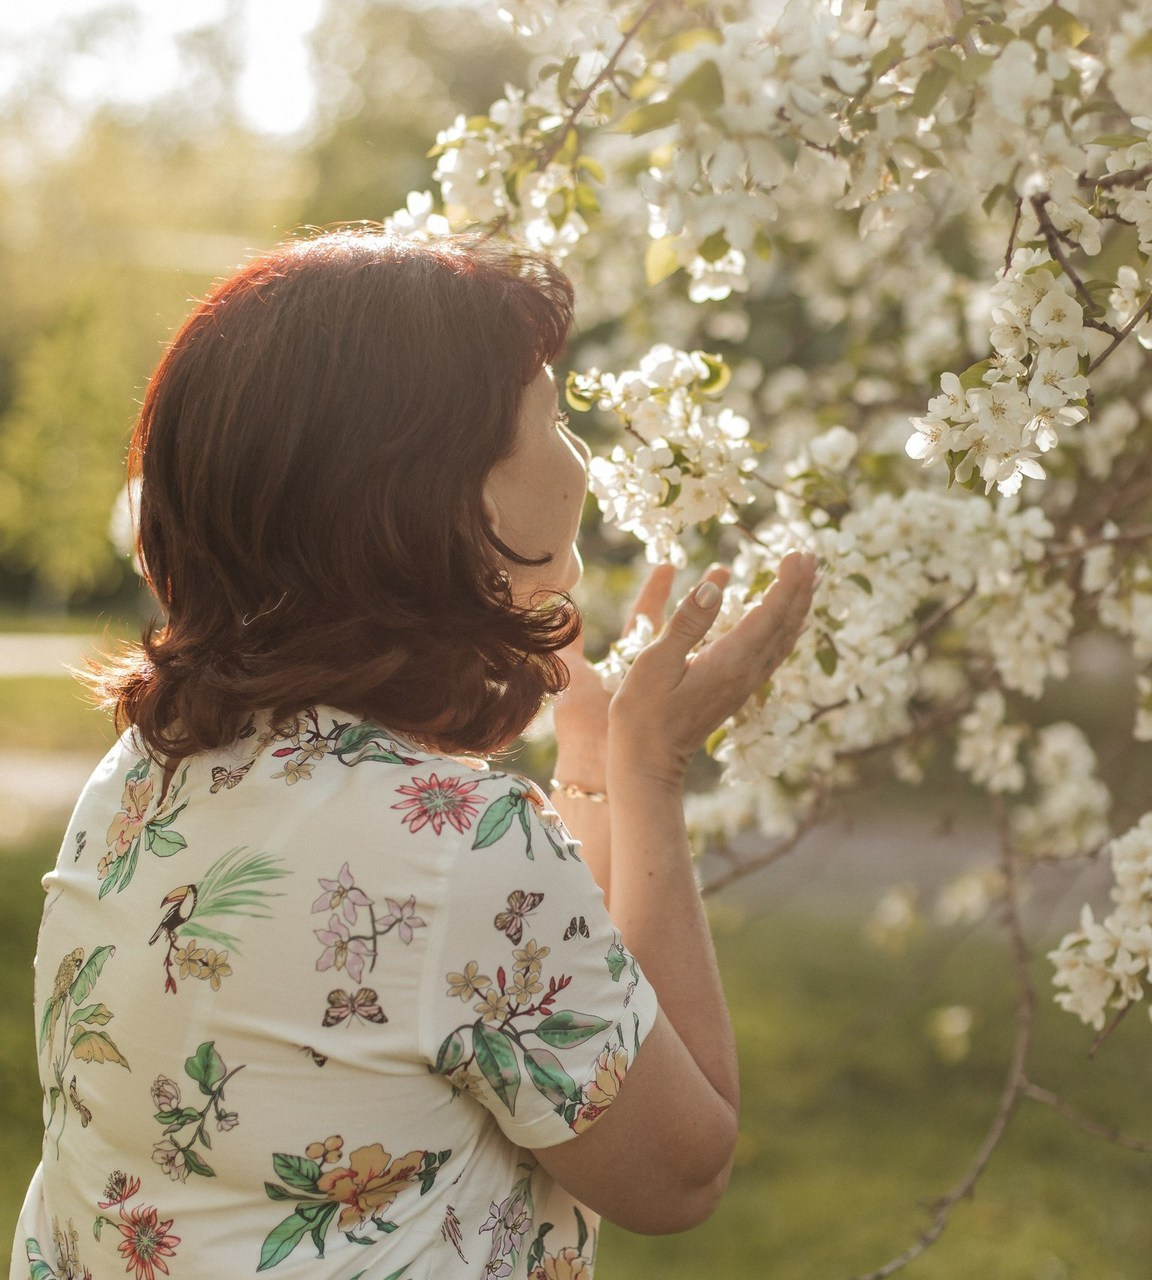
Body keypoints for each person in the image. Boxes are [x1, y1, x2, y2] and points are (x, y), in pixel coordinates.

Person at [10, 228, 816, 1280]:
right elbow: (680, 1170)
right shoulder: (461, 848)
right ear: (452, 496)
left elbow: (538, 1004)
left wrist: (589, 742)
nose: (579, 458)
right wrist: (650, 768)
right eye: (554, 418)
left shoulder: (140, 776)